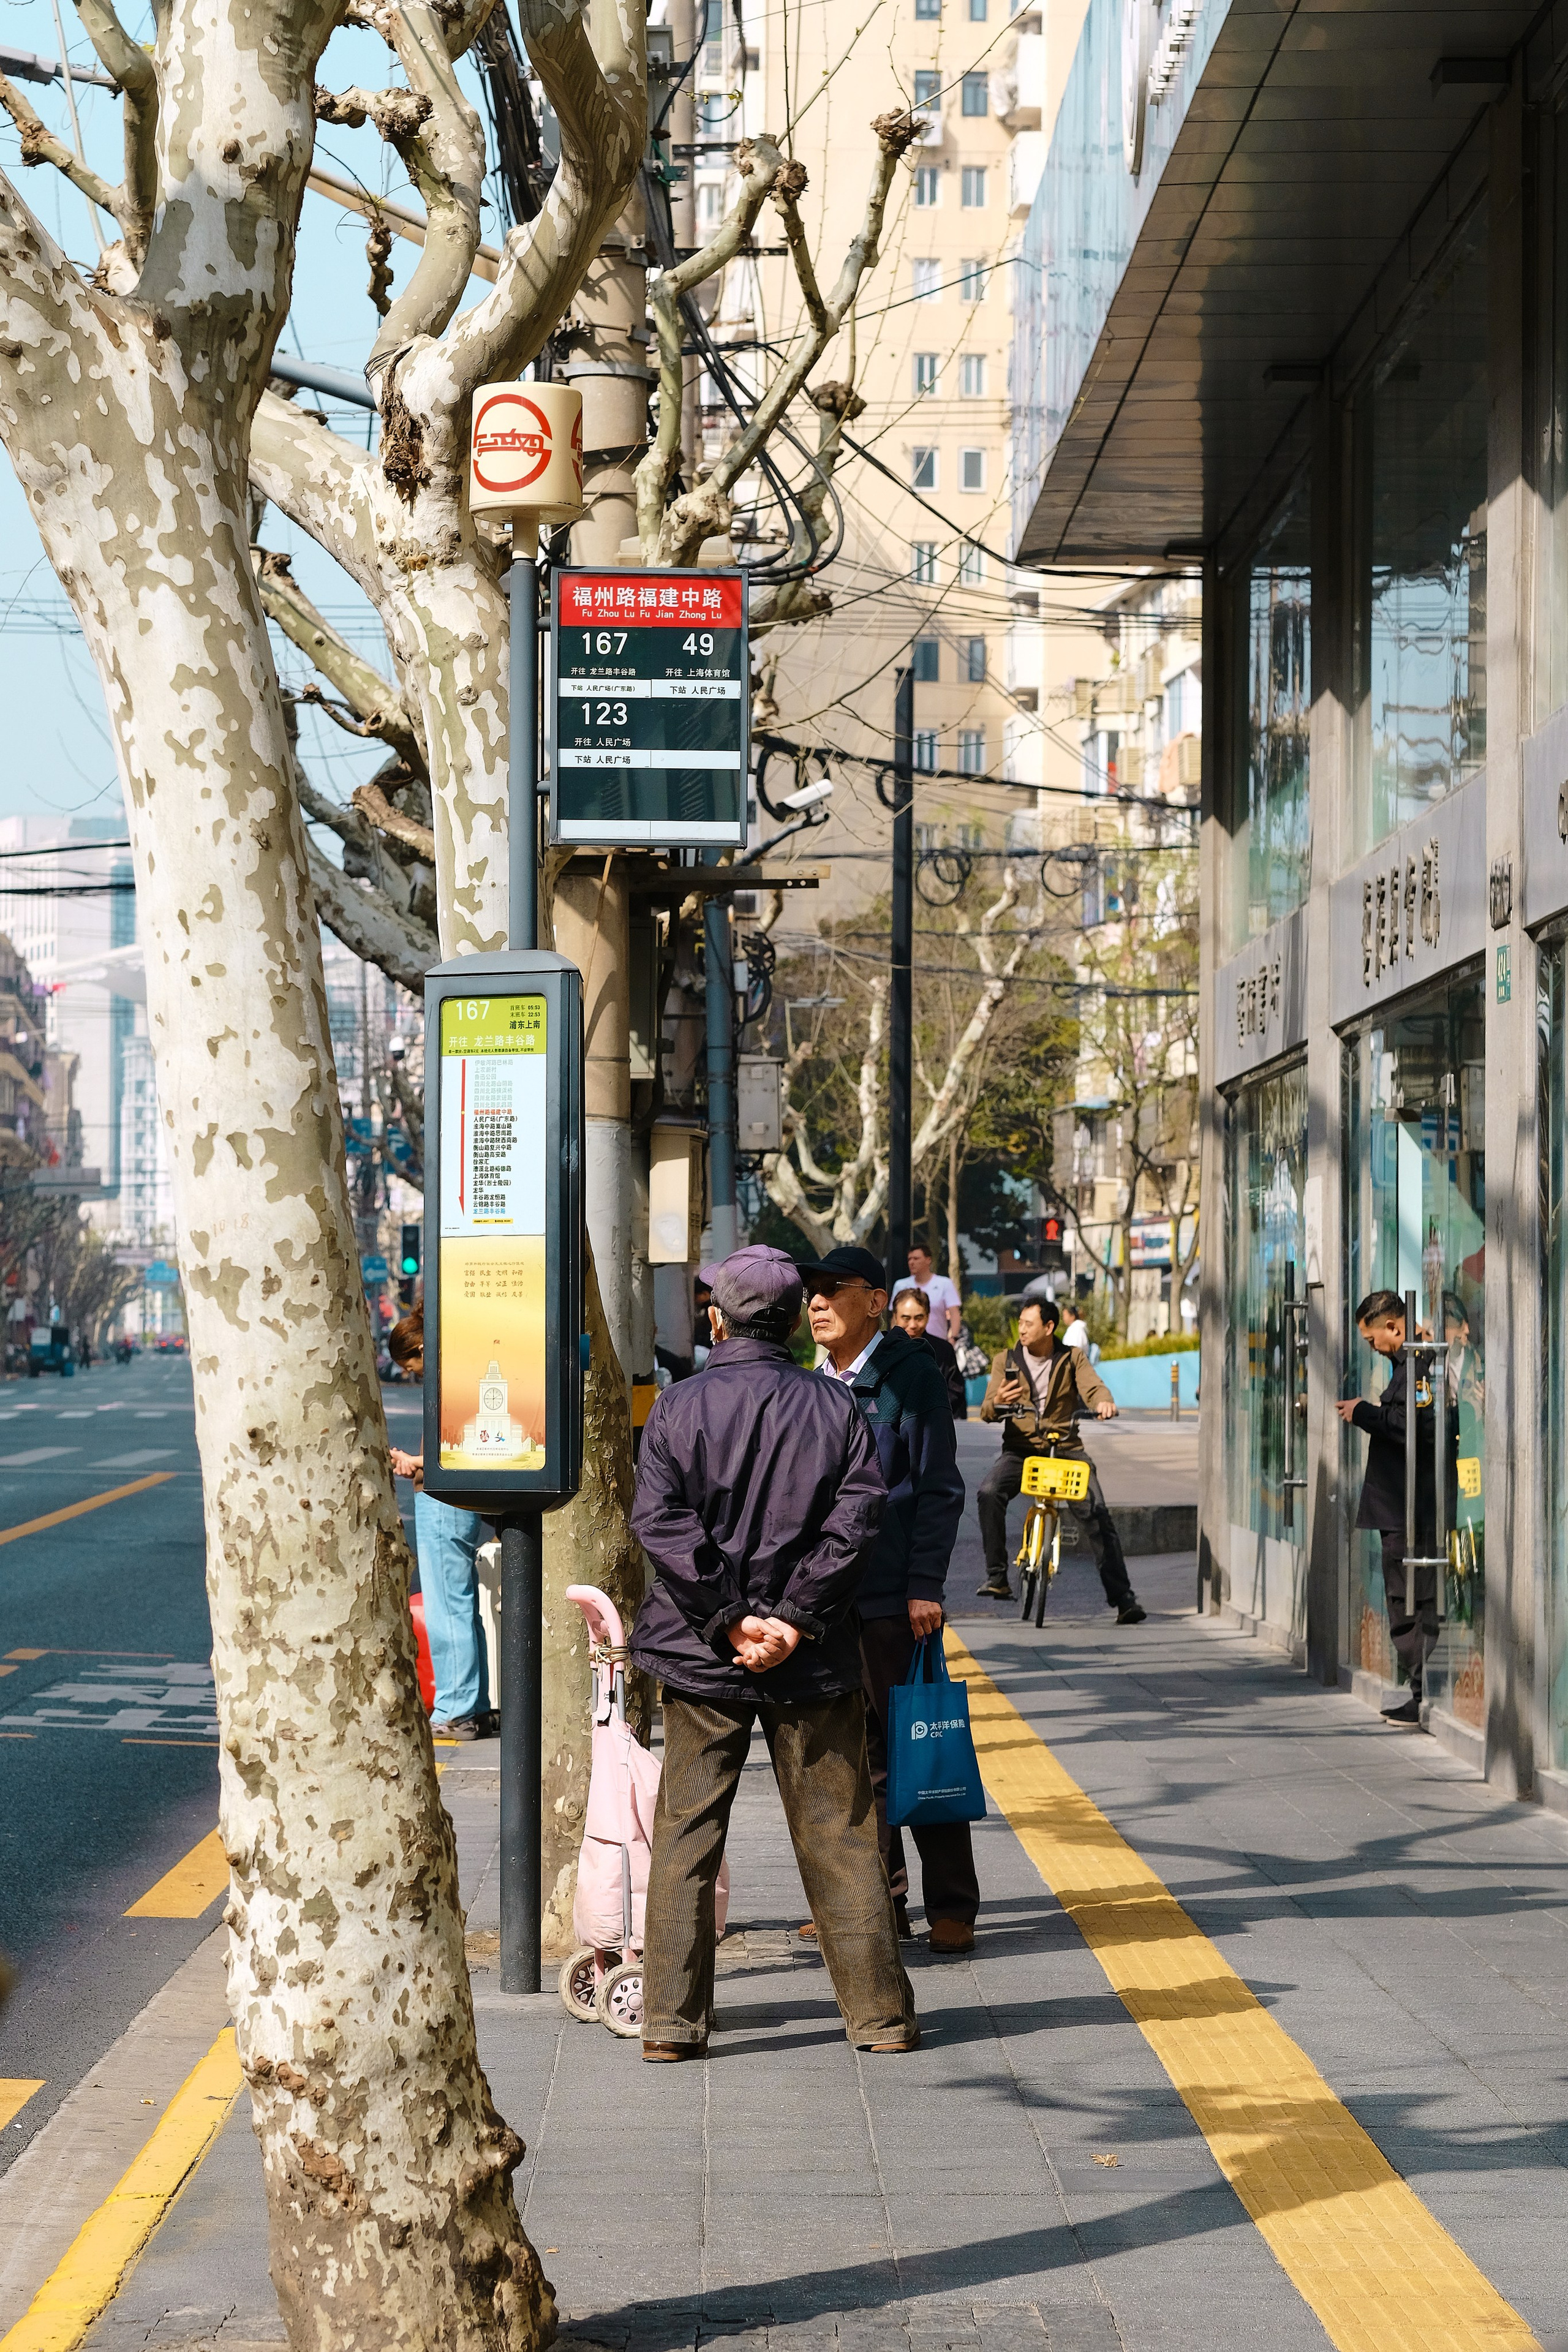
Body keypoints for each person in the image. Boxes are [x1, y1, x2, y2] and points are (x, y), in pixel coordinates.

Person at [631, 1243, 918, 2062]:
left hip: (700, 1656)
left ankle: (671, 2024)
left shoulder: (679, 1409)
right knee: (840, 1831)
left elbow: (661, 1524)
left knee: (687, 1833)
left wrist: (728, 1619)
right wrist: (792, 1618)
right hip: (815, 1655)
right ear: (794, 1321)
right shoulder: (836, 1410)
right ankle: (879, 2018)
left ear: (717, 1317)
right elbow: (859, 1520)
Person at [795, 1245, 974, 1953]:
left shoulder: (911, 1377)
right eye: (811, 1291)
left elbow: (937, 1488)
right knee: (847, 1761)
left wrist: (924, 1585)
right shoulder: (808, 1381)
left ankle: (953, 1904)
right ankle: (878, 1901)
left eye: (832, 1290)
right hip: (823, 1600)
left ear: (874, 1301)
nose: (816, 1302)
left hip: (892, 1596)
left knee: (916, 1748)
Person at [976, 1297, 1145, 1621]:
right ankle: (997, 1577)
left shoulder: (1072, 1358)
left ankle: (1124, 1598)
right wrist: (997, 1401)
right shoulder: (1006, 1360)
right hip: (1020, 1448)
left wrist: (1104, 1404)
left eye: (1029, 1324)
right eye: (1021, 1323)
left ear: (1049, 1327)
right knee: (988, 1491)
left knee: (1096, 1512)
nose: (1022, 1330)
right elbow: (987, 1411)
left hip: (1066, 1446)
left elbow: (1094, 1388)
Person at [386, 1308, 497, 1743]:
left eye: (409, 1365)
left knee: (447, 1609)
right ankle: (477, 1706)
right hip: (461, 1501)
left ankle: (456, 1708)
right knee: (461, 1607)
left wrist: (413, 1463)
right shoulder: (467, 1370)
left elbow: (454, 1454)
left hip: (442, 1500)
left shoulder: (449, 1379)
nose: (411, 1373)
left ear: (418, 1349)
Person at [1335, 1288, 1444, 1726]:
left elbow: (1407, 1427)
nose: (1373, 1348)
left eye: (1373, 1339)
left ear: (1394, 1328)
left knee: (1407, 1599)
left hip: (1406, 1506)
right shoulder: (1411, 1363)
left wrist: (1363, 1412)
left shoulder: (1417, 1365)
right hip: (1401, 1503)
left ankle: (1423, 1692)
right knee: (1406, 1596)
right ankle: (1421, 1689)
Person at [892, 1284, 968, 1420]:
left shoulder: (943, 1350)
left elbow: (955, 1392)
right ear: (895, 1317)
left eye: (919, 1318)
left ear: (928, 1316)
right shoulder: (884, 1350)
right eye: (906, 1318)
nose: (913, 1325)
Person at [891, 1242, 962, 1342]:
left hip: (937, 1345)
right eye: (909, 1259)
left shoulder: (945, 1284)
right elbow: (894, 1318)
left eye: (916, 1259)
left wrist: (953, 1339)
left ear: (928, 1260)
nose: (911, 1262)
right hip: (905, 1344)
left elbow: (955, 1313)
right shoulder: (901, 1285)